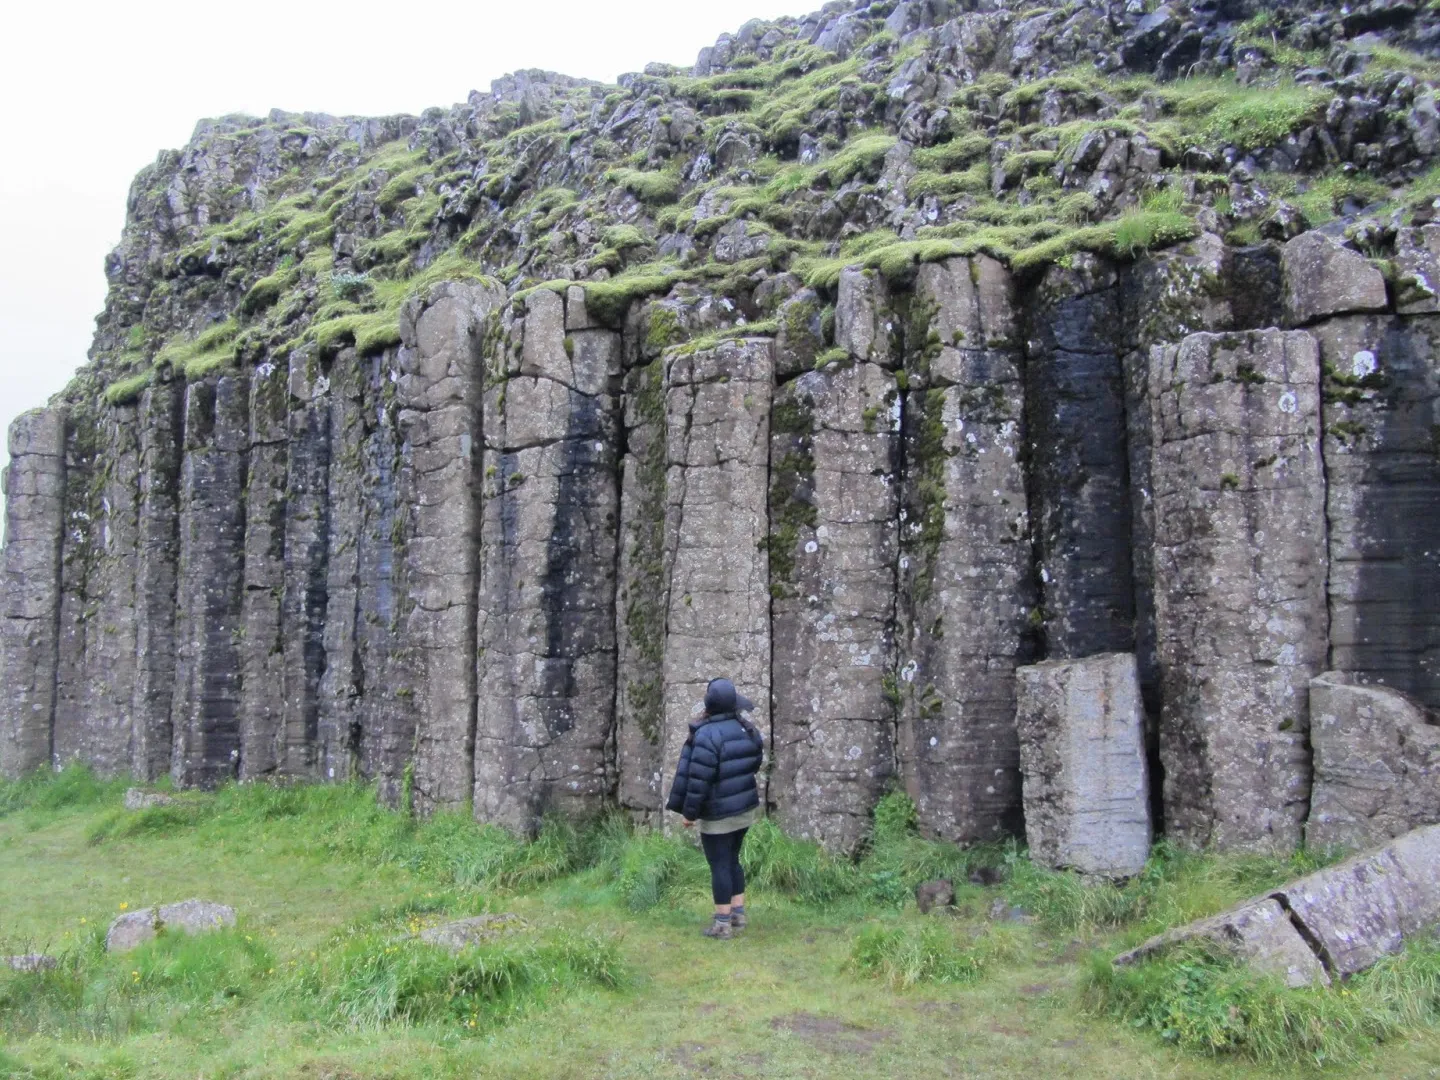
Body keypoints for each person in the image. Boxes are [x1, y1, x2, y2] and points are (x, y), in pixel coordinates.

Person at [665, 677, 764, 939]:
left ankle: (722, 924)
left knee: (719, 864)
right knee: (732, 860)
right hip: (744, 810)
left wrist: (689, 814)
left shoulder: (707, 734)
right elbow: (753, 764)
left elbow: (699, 780)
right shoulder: (746, 728)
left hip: (719, 815)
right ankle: (737, 914)